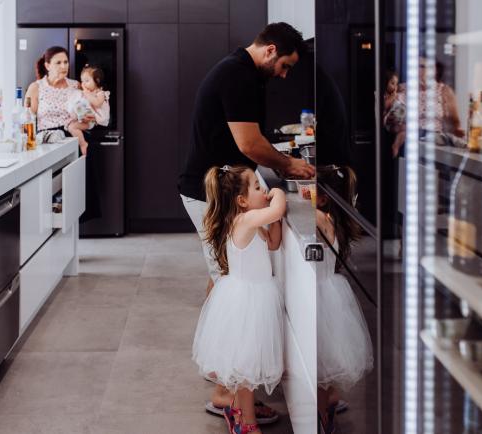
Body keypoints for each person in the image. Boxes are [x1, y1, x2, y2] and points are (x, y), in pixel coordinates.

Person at [178, 21, 314, 423]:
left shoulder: (239, 72)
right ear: (270, 50)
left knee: (223, 279)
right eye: (285, 65)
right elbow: (249, 144)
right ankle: (225, 391)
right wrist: (291, 164)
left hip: (212, 191)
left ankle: (223, 372)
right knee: (230, 284)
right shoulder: (237, 75)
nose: (284, 74)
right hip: (208, 195)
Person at [193, 165, 285, 434]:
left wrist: (275, 220)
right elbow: (277, 208)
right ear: (242, 201)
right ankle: (247, 423)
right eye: (258, 187)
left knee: (250, 365)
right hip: (247, 300)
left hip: (257, 295)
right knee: (246, 370)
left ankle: (238, 410)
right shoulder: (243, 221)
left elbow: (273, 244)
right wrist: (279, 192)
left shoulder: (252, 220)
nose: (264, 191)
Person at [315, 165, 373, 434]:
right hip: (330, 291)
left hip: (322, 295)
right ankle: (328, 404)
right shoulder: (332, 218)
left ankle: (322, 420)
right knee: (328, 358)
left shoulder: (322, 220)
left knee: (322, 360)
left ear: (323, 198)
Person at [25, 46, 94, 155]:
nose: (64, 66)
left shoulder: (76, 85)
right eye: (58, 63)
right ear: (47, 66)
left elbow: (87, 114)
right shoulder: (36, 87)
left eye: (66, 62)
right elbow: (26, 120)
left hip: (75, 141)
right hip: (47, 144)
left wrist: (87, 117)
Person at [67, 65, 110, 151]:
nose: (84, 84)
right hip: (85, 116)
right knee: (71, 125)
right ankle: (74, 118)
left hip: (91, 120)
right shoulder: (87, 92)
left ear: (97, 80)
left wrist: (86, 93)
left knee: (72, 128)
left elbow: (97, 103)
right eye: (82, 81)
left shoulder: (101, 93)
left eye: (87, 81)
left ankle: (83, 144)